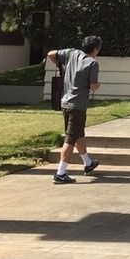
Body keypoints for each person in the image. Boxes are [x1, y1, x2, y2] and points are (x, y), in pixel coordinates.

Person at [48, 35, 102, 183]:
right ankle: (60, 173)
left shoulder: (72, 53)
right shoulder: (92, 63)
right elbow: (93, 86)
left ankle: (88, 164)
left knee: (78, 134)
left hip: (65, 102)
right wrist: (97, 86)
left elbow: (51, 54)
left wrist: (60, 67)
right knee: (70, 139)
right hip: (78, 106)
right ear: (96, 49)